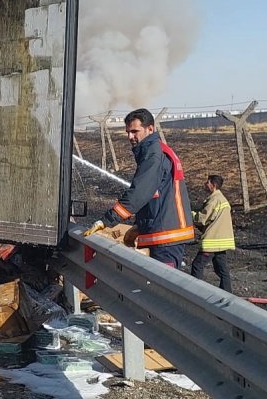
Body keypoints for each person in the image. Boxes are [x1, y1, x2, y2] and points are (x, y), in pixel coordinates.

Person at [85, 108, 194, 268]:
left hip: (165, 237)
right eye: (128, 132)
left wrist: (106, 220)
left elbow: (139, 193)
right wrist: (140, 225)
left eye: (135, 131)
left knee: (160, 291)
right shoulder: (157, 151)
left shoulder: (153, 155)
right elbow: (157, 195)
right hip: (163, 232)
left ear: (151, 129)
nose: (130, 137)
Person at [190, 174, 235, 292]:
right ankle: (227, 293)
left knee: (197, 265)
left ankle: (195, 292)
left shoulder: (214, 200)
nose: (205, 184)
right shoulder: (222, 199)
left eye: (207, 182)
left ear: (213, 185)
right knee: (221, 269)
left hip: (212, 240)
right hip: (222, 240)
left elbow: (202, 218)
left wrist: (190, 215)